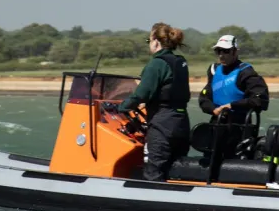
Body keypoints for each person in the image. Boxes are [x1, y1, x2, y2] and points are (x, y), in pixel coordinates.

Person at [115, 22, 192, 182]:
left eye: (148, 40)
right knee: (176, 170)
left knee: (154, 170)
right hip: (181, 122)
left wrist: (121, 107)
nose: (149, 44)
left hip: (162, 124)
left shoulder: (156, 64)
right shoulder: (180, 62)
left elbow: (140, 95)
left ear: (156, 42)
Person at [198, 34, 270, 158]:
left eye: (226, 51)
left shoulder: (246, 72)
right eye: (218, 51)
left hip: (239, 129)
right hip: (216, 125)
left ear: (235, 51)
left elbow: (260, 99)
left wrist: (231, 105)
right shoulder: (214, 71)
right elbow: (204, 98)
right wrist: (213, 110)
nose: (221, 55)